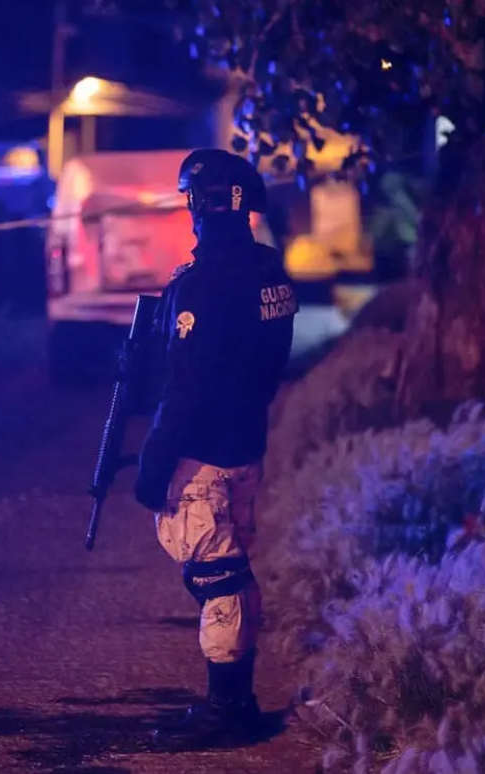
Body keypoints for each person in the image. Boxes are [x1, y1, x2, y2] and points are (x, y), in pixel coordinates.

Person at [132, 148, 298, 748]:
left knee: (218, 578)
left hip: (202, 455)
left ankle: (227, 712)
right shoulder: (269, 272)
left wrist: (154, 463)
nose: (191, 214)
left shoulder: (204, 282)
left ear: (205, 206)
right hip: (245, 445)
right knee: (230, 574)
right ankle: (238, 702)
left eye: (192, 202)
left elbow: (187, 384)